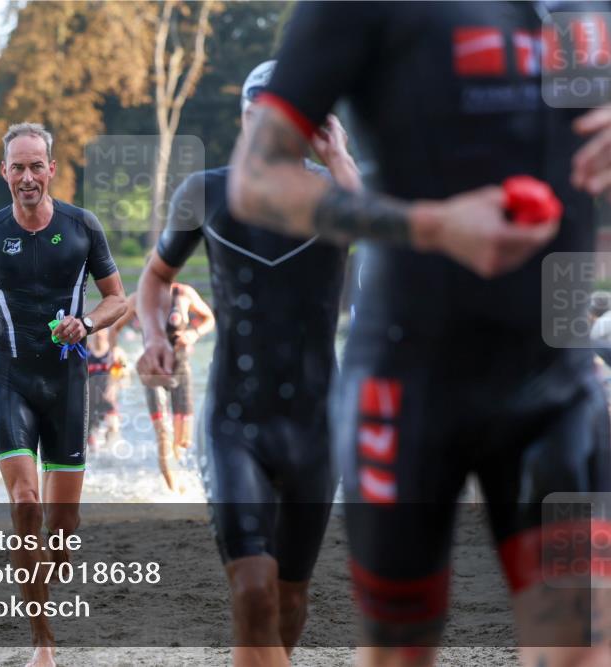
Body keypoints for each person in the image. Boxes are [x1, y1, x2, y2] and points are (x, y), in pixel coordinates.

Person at [227, 4, 611, 666]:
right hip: (407, 382)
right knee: (400, 653)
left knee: (580, 648)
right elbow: (255, 178)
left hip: (556, 379)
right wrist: (432, 226)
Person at [136, 60, 362, 666]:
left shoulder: (337, 193)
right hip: (235, 422)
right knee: (253, 589)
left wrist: (340, 157)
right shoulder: (206, 193)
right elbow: (156, 278)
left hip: (318, 424)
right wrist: (154, 335)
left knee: (289, 596)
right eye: (257, 118)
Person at [0, 122, 126, 667]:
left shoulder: (82, 226)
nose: (27, 177)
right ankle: (43, 644)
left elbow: (118, 298)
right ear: (4, 172)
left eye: (36, 166)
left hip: (67, 382)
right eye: (17, 167)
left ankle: (55, 551)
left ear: (52, 169)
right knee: (25, 503)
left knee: (62, 531)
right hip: (9, 379)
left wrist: (87, 324)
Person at [140, 282, 214, 490]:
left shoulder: (184, 293)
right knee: (164, 432)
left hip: (181, 368)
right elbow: (116, 320)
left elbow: (209, 318)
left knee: (183, 441)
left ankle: (177, 477)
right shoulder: (142, 295)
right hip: (154, 371)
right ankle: (172, 492)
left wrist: (194, 334)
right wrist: (112, 350)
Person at [85, 326, 120, 451]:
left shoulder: (113, 353)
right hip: (90, 399)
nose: (99, 336)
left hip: (107, 397)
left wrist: (113, 387)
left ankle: (107, 450)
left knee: (113, 427)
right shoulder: (86, 351)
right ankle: (94, 452)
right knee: (90, 433)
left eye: (101, 333)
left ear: (107, 335)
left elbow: (119, 373)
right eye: (97, 334)